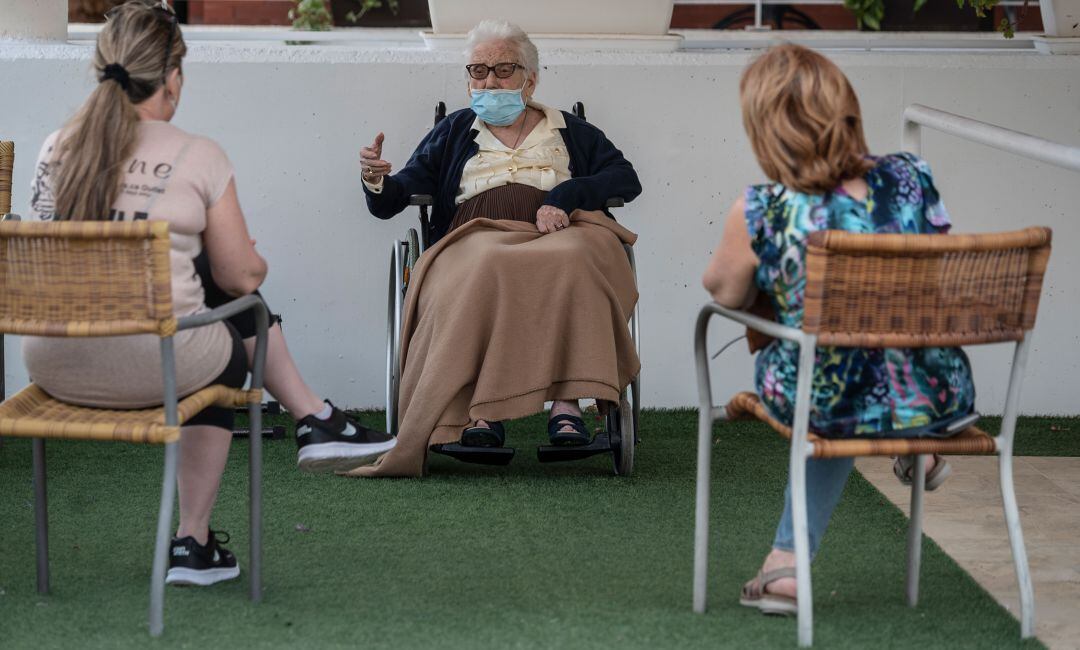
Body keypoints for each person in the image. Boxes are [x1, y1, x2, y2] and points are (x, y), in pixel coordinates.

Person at [24, 0, 394, 586]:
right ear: (173, 78)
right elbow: (244, 278)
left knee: (204, 291)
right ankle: (196, 538)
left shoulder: (53, 147)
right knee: (228, 330)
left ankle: (315, 420)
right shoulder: (197, 154)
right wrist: (253, 252)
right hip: (157, 366)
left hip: (54, 361)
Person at [701, 43, 975, 615]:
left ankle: (787, 566)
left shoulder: (762, 209)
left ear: (765, 128)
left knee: (827, 376)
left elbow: (724, 292)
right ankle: (915, 443)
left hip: (827, 396)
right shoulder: (911, 175)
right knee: (856, 364)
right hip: (938, 388)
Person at [351, 19, 641, 477]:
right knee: (487, 263)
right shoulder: (454, 131)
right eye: (479, 70)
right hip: (476, 234)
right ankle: (480, 411)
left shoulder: (570, 129)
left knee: (575, 259)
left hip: (559, 232)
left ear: (531, 78)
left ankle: (567, 405)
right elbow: (400, 194)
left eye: (504, 69)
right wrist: (376, 179)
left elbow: (625, 179)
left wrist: (564, 196)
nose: (490, 80)